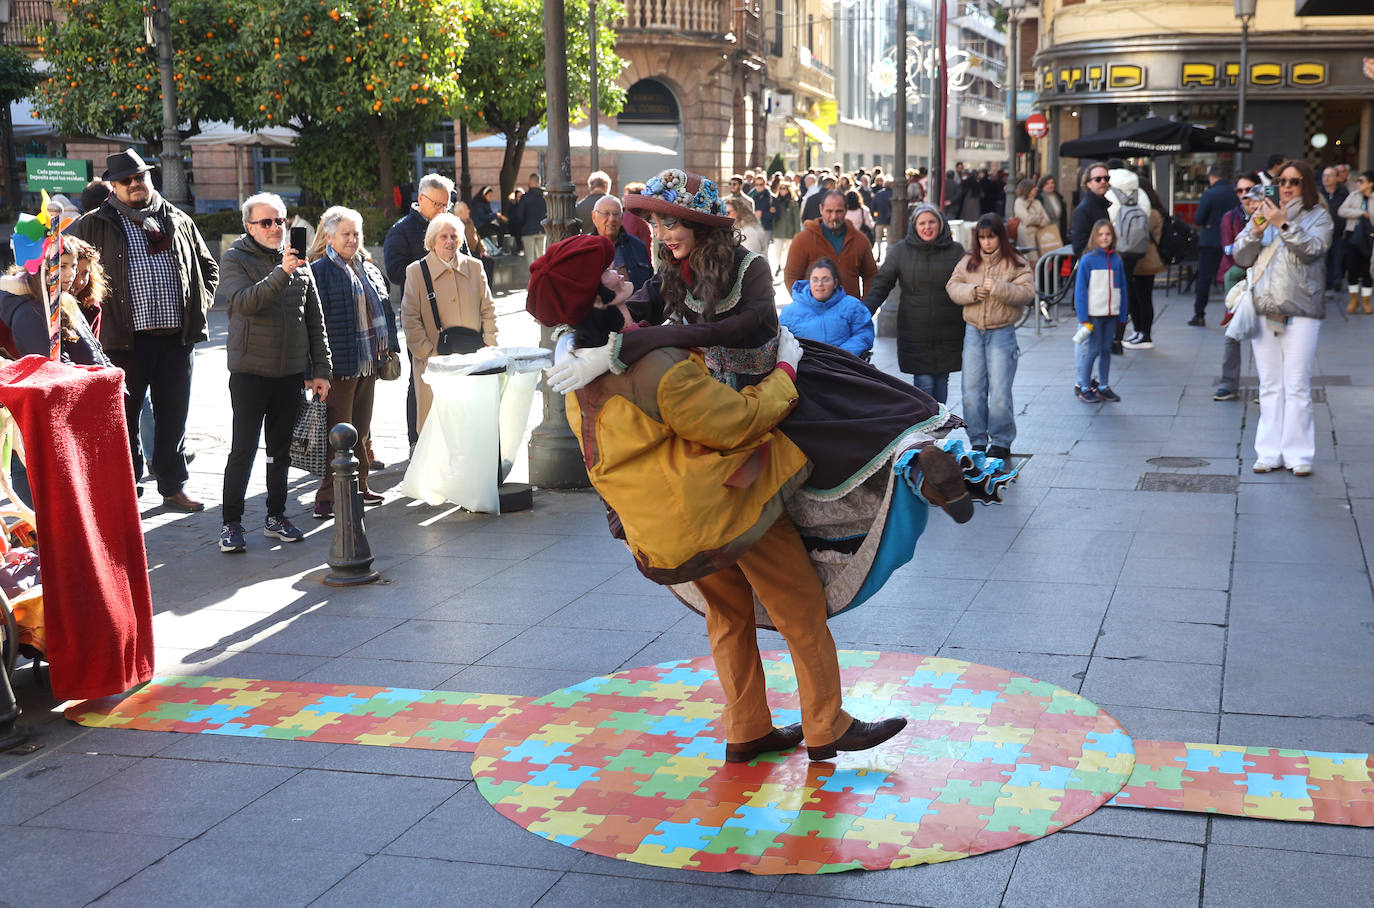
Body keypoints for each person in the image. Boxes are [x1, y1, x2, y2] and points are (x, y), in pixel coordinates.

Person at [529, 235, 934, 763]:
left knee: (727, 614)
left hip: (669, 528)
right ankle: (826, 724)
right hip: (729, 505)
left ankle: (747, 728)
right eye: (607, 272)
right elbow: (738, 421)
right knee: (799, 606)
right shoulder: (656, 367)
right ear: (598, 298)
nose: (619, 271)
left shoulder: (579, 373)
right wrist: (786, 370)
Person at [67, 149, 218, 513]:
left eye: (140, 176)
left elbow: (208, 267)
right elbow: (62, 264)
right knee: (124, 419)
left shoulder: (177, 219)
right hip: (122, 342)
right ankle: (127, 487)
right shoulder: (92, 224)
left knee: (173, 418)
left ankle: (173, 486)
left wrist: (198, 306)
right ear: (113, 187)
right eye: (126, 180)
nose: (135, 184)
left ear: (150, 178)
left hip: (176, 339)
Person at [215, 192, 332, 553]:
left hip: (290, 373)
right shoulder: (235, 258)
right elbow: (244, 303)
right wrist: (282, 272)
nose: (275, 228)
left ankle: (276, 515)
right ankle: (231, 523)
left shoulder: (299, 261)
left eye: (280, 221)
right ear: (249, 227)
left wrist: (321, 369)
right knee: (244, 449)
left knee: (280, 450)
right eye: (266, 222)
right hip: (250, 371)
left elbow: (315, 321)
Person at [1234, 160, 1333, 476]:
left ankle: (1298, 454)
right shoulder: (1263, 213)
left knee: (1297, 384)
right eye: (1282, 181)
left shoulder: (1319, 215)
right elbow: (1239, 255)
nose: (1287, 187)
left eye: (1295, 181)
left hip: (1302, 309)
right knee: (1269, 385)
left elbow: (1313, 249)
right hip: (1265, 308)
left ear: (1306, 185)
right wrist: (1255, 230)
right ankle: (1268, 452)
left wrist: (1283, 224)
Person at [307, 207, 398, 519]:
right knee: (336, 434)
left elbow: (385, 312)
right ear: (329, 237)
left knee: (361, 430)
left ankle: (361, 485)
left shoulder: (368, 268)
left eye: (356, 233)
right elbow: (309, 325)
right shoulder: (319, 271)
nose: (351, 239)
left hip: (368, 362)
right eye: (345, 234)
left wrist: (390, 349)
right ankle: (326, 496)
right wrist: (313, 371)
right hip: (338, 368)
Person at [400, 212, 498, 435]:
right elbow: (410, 318)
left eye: (454, 236)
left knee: (472, 424)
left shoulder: (475, 267)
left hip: (473, 359)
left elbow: (488, 309)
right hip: (434, 363)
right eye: (443, 236)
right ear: (432, 240)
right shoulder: (416, 271)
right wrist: (428, 354)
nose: (449, 241)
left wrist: (490, 344)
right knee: (438, 428)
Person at [945, 214, 1034, 461]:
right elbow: (952, 286)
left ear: (1000, 236)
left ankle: (1001, 442)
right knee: (971, 390)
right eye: (982, 238)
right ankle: (977, 440)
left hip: (1002, 332)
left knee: (1000, 392)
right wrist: (973, 291)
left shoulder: (1015, 261)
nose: (986, 242)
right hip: (973, 331)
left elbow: (1027, 292)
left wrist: (999, 288)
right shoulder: (968, 261)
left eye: (991, 237)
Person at [862, 204, 966, 403]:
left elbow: (969, 282)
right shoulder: (901, 251)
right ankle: (929, 420)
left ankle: (940, 420)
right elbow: (882, 284)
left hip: (948, 329)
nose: (927, 227)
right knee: (924, 383)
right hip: (915, 330)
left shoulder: (956, 250)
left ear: (940, 224)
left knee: (941, 380)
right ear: (914, 226)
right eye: (922, 223)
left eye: (932, 222)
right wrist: (865, 313)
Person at [384, 172, 456, 454]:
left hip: (454, 314)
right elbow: (395, 272)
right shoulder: (401, 230)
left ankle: (449, 438)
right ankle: (417, 441)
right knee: (420, 379)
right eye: (437, 204)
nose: (442, 210)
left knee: (454, 377)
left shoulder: (451, 226)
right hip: (421, 316)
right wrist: (431, 267)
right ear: (421, 199)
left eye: (446, 204)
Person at [0, 242, 110, 367]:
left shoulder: (67, 301)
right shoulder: (28, 312)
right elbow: (55, 368)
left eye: (73, 266)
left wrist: (110, 372)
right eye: (62, 266)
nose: (71, 273)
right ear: (43, 268)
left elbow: (96, 352)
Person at [1214, 172, 1263, 401]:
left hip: (1262, 276)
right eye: (1240, 191)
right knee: (1232, 330)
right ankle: (1228, 384)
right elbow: (1229, 249)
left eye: (1249, 190)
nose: (1245, 195)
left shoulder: (1269, 215)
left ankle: (1267, 386)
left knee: (1264, 332)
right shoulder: (1230, 217)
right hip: (1237, 277)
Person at [1072, 219, 1129, 403]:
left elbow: (1122, 288)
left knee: (1105, 350)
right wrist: (1083, 318)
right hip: (1094, 315)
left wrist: (1122, 314)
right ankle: (1085, 386)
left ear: (1113, 236)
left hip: (1111, 314)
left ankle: (1104, 386)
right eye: (1100, 234)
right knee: (1093, 350)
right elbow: (1081, 291)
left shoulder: (1117, 260)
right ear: (1094, 237)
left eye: (1108, 234)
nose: (1104, 237)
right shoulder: (1088, 260)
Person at [784, 190, 877, 300]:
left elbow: (871, 275)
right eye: (829, 211)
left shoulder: (860, 240)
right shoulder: (803, 240)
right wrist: (806, 304)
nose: (834, 216)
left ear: (846, 210)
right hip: (814, 309)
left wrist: (865, 305)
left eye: (839, 211)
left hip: (849, 309)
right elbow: (791, 276)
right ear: (821, 209)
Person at [780, 258, 874, 357]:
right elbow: (781, 341)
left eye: (825, 279)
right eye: (815, 279)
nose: (820, 284)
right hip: (805, 363)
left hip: (843, 362)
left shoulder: (853, 306)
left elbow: (863, 335)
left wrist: (839, 355)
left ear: (835, 283)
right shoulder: (789, 312)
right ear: (809, 283)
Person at [1122, 177, 1166, 350]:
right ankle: (1138, 331)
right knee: (1135, 297)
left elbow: (1137, 233)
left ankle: (1145, 334)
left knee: (1143, 297)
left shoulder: (1151, 213)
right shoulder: (1147, 210)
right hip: (1138, 259)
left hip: (1146, 260)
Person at [1189, 163, 1234, 326]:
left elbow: (1198, 219)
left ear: (1212, 178)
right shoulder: (1236, 192)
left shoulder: (1209, 194)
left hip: (1210, 240)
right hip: (1232, 240)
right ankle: (1234, 312)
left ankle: (1199, 314)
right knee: (1233, 277)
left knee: (1204, 279)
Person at [590, 195, 654, 290]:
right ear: (594, 216)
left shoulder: (638, 247)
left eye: (616, 214)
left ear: (622, 217)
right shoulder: (585, 249)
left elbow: (650, 286)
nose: (612, 219)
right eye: (606, 214)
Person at [1335, 170, 1374, 314]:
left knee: (1367, 270)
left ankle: (1366, 301)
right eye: (1358, 181)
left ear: (1371, 183)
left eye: (1361, 181)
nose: (1358, 184)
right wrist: (1360, 213)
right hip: (1352, 236)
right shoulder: (1353, 195)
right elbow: (1342, 211)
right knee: (1352, 268)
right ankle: (1353, 299)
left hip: (1370, 237)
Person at [1070, 161, 1112, 257]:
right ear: (1088, 183)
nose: (1103, 182)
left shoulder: (1102, 204)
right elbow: (1079, 246)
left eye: (1106, 178)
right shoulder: (1084, 209)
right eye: (1098, 179)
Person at [1319, 166, 1349, 293]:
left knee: (1337, 256)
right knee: (1324, 258)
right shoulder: (1318, 193)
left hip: (1338, 231)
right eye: (1324, 175)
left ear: (1337, 178)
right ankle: (1326, 284)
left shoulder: (1344, 193)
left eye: (1330, 175)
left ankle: (1337, 280)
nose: (1326, 178)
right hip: (1322, 232)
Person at [1012, 178, 1049, 267]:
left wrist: (1038, 221)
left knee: (1043, 262)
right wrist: (1039, 219)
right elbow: (1027, 219)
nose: (1036, 189)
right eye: (1033, 187)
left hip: (1040, 236)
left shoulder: (1037, 202)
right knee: (1032, 262)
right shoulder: (1019, 202)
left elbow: (1047, 219)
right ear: (1027, 189)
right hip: (1027, 237)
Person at [513, 172, 548, 260]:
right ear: (539, 182)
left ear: (530, 182)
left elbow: (519, 216)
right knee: (542, 258)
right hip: (542, 230)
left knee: (530, 260)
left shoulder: (525, 197)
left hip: (528, 231)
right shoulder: (545, 197)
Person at [769, 180, 800, 277]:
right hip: (778, 231)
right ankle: (779, 265)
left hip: (790, 231)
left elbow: (797, 218)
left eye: (784, 188)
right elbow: (772, 217)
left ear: (788, 190)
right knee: (778, 250)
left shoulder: (793, 202)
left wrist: (797, 232)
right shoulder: (775, 201)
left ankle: (788, 267)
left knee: (789, 251)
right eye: (781, 188)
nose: (782, 190)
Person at [470, 186, 509, 254]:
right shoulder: (478, 204)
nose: (490, 198)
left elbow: (489, 213)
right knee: (489, 233)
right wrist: (495, 215)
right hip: (480, 225)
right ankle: (492, 249)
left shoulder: (486, 202)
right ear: (484, 195)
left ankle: (499, 246)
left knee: (499, 229)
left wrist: (495, 216)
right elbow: (482, 216)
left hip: (485, 223)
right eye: (489, 196)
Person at [574, 170, 612, 234]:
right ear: (606, 186)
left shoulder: (579, 206)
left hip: (587, 239)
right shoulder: (613, 204)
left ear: (590, 186)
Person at [1037, 175, 1067, 248]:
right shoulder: (1039, 198)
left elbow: (1062, 216)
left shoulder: (1058, 196)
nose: (1050, 185)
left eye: (1052, 183)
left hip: (1059, 229)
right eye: (1047, 183)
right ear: (1042, 185)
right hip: (1045, 232)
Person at [870, 176, 892, 258]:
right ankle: (887, 255)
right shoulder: (892, 194)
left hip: (880, 218)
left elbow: (873, 206)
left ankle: (879, 253)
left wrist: (876, 214)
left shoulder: (878, 194)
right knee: (889, 239)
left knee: (878, 238)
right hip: (890, 220)